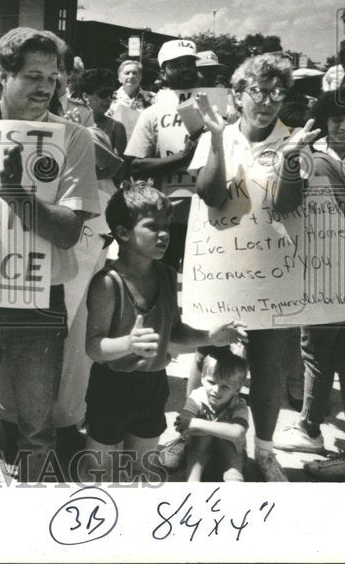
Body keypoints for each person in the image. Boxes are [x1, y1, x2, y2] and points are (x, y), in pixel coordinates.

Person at [0, 28, 101, 482]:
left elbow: (68, 232)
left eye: (53, 77)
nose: (46, 86)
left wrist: (18, 197)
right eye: (32, 75)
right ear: (2, 76)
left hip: (39, 302)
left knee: (36, 429)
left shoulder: (74, 139)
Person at [188, 53, 320, 481]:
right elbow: (210, 195)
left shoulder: (295, 138)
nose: (266, 101)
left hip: (270, 271)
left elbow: (287, 204)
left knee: (268, 366)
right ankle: (191, 436)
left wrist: (292, 162)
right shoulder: (218, 133)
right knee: (207, 353)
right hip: (220, 267)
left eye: (277, 92)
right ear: (238, 94)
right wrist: (214, 138)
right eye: (258, 91)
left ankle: (263, 451)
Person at [84, 182, 244, 482]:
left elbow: (175, 332)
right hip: (111, 387)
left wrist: (210, 338)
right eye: (152, 226)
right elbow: (94, 347)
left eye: (167, 226)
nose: (164, 234)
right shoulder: (108, 283)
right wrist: (128, 343)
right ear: (123, 233)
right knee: (100, 472)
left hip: (153, 387)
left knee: (141, 469)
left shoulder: (167, 276)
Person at [273, 89, 345, 481]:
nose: (343, 125)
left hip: (332, 265)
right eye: (335, 119)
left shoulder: (329, 158)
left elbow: (285, 204)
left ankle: (340, 445)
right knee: (342, 357)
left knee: (321, 353)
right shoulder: (318, 152)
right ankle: (330, 435)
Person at [124, 39, 203, 271]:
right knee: (164, 281)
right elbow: (134, 165)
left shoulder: (218, 107)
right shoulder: (153, 112)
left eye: (190, 62)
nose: (186, 69)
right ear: (163, 72)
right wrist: (182, 157)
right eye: (176, 64)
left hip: (210, 211)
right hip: (169, 216)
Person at [174, 351, 250, 482]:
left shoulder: (238, 405)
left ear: (237, 389)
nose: (216, 390)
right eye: (211, 382)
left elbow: (238, 433)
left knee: (233, 457)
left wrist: (195, 423)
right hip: (198, 448)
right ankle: (192, 482)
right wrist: (191, 425)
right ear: (202, 377)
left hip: (229, 450)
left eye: (225, 386)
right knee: (176, 459)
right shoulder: (197, 397)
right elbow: (182, 425)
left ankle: (234, 479)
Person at [76, 68, 127, 157]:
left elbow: (120, 167)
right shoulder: (73, 122)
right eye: (103, 94)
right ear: (86, 96)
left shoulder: (116, 128)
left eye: (111, 94)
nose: (108, 99)